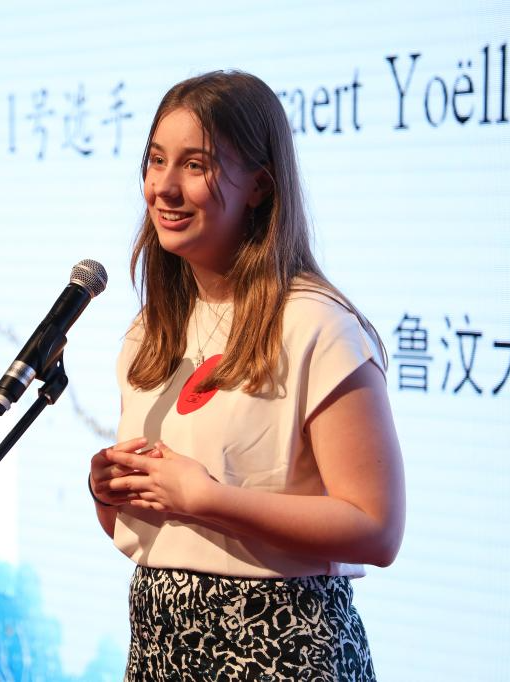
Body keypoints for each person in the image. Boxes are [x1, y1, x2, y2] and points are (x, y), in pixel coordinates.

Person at [87, 71, 405, 681]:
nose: (164, 187)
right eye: (156, 160)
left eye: (195, 165)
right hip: (160, 647)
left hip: (284, 648)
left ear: (259, 185)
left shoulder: (316, 325)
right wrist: (110, 491)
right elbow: (152, 533)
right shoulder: (150, 332)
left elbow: (376, 528)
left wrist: (208, 499)